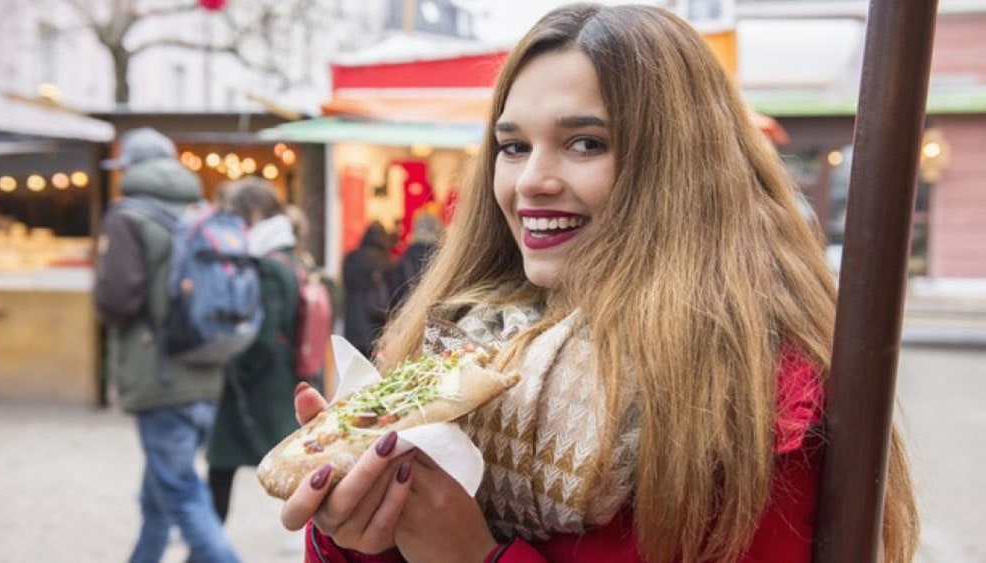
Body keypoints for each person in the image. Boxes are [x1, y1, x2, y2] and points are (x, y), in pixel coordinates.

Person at [281, 5, 919, 563]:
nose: (531, 180)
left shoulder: (759, 396)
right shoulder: (451, 348)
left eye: (585, 143)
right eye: (512, 146)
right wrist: (358, 532)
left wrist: (473, 557)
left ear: (679, 166)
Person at [94, 127, 240, 563]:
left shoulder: (127, 216)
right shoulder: (201, 210)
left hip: (160, 374)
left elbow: (118, 299)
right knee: (159, 493)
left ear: (132, 168)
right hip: (206, 368)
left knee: (180, 493)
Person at [206, 178, 301, 527]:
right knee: (235, 463)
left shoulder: (268, 265)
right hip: (276, 379)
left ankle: (207, 541)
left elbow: (265, 335)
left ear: (255, 214)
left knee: (223, 462)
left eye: (236, 216)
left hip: (259, 385)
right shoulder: (288, 256)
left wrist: (236, 370)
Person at [370, 212, 443, 324]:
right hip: (438, 322)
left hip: (407, 321)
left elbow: (388, 297)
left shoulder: (401, 260)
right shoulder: (443, 258)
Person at [341, 221, 391, 359]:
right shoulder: (386, 261)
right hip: (374, 323)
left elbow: (345, 284)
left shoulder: (352, 258)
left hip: (353, 321)